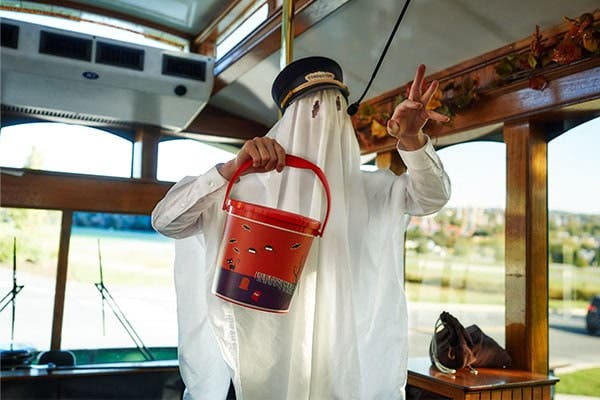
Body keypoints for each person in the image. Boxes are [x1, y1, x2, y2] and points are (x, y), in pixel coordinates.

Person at [152, 56, 451, 400]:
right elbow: (167, 221)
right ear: (289, 118)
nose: (325, 120)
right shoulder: (245, 186)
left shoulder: (370, 192)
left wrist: (412, 139)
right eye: (312, 109)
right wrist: (230, 169)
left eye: (337, 108)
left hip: (340, 365)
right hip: (252, 369)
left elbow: (432, 197)